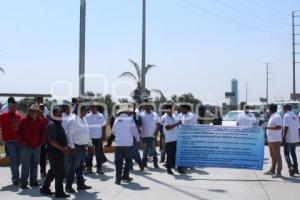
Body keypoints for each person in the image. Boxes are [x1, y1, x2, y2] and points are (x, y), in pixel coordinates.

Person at [40, 107, 70, 198]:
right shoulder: (52, 125)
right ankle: (59, 192)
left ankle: (45, 188)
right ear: (53, 115)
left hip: (58, 151)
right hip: (54, 152)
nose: (60, 116)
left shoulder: (58, 124)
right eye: (57, 114)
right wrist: (62, 148)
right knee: (59, 172)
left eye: (61, 114)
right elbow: (52, 140)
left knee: (53, 170)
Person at [65, 106, 93, 194]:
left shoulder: (83, 120)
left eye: (85, 110)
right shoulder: (73, 120)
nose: (85, 112)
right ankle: (68, 186)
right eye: (83, 110)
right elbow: (69, 135)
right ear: (78, 111)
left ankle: (80, 184)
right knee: (72, 167)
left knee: (80, 167)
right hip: (75, 147)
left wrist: (90, 145)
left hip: (82, 147)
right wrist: (72, 147)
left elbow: (87, 133)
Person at [17, 104, 45, 189]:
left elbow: (43, 133)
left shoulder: (41, 121)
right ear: (29, 111)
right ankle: (24, 183)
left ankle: (33, 181)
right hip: (26, 146)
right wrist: (23, 141)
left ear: (38, 112)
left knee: (35, 164)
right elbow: (18, 133)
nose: (33, 112)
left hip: (37, 146)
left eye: (35, 111)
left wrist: (41, 143)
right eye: (32, 111)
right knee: (25, 165)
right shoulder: (23, 121)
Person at [112, 104, 140, 185]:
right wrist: (138, 139)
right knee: (128, 161)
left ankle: (118, 179)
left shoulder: (117, 120)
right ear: (127, 112)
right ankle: (125, 175)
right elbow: (134, 131)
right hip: (128, 144)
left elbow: (113, 132)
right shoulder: (130, 119)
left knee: (118, 162)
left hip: (119, 144)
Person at [0, 99, 22, 185]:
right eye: (11, 106)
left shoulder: (19, 116)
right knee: (13, 159)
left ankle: (15, 175)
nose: (12, 108)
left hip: (19, 141)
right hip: (9, 142)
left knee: (19, 159)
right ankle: (15, 177)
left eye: (14, 106)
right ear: (8, 107)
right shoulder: (2, 116)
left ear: (16, 107)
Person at [161, 104, 185, 175]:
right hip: (169, 139)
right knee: (170, 155)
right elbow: (167, 128)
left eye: (171, 109)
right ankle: (169, 169)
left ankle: (179, 168)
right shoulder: (164, 117)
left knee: (177, 154)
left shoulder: (174, 116)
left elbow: (178, 125)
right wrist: (177, 123)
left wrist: (180, 124)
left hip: (177, 138)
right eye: (168, 109)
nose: (170, 110)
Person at [85, 103, 107, 175]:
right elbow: (85, 127)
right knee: (90, 153)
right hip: (90, 138)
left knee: (98, 153)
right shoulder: (87, 116)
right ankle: (89, 168)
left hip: (99, 138)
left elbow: (104, 126)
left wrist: (103, 136)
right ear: (90, 108)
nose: (93, 108)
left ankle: (99, 168)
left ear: (97, 108)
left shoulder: (101, 116)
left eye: (94, 107)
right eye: (92, 107)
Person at [264, 104, 283, 178]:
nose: (267, 111)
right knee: (272, 155)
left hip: (276, 139)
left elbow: (279, 127)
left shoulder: (277, 116)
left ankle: (278, 172)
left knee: (277, 155)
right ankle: (272, 170)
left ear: (270, 109)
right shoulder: (272, 116)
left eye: (268, 109)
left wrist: (267, 127)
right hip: (271, 139)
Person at [139, 103, 160, 168]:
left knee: (154, 151)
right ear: (143, 108)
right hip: (144, 135)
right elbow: (139, 125)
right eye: (145, 107)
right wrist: (140, 135)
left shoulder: (155, 114)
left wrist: (157, 131)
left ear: (150, 107)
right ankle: (144, 163)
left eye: (148, 106)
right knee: (145, 151)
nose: (146, 108)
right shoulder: (141, 115)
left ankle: (155, 164)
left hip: (153, 136)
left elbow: (158, 123)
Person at [282, 104, 300, 176]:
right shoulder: (295, 116)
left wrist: (284, 137)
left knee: (286, 153)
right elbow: (299, 128)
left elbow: (286, 127)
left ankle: (290, 167)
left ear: (286, 108)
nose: (283, 110)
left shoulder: (286, 116)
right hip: (295, 138)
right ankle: (296, 168)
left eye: (283, 108)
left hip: (288, 138)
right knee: (293, 153)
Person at [39, 104, 49, 177]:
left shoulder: (45, 119)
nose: (41, 110)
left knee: (43, 158)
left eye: (42, 109)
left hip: (43, 142)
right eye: (40, 108)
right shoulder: (32, 119)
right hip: (34, 142)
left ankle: (43, 171)